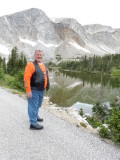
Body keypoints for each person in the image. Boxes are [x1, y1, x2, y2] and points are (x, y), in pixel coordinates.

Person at [24, 50, 50, 130]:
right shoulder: (31, 65)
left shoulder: (45, 66)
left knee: (38, 105)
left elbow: (46, 77)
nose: (39, 56)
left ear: (42, 56)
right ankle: (33, 123)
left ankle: (35, 116)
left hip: (41, 90)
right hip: (33, 89)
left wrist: (47, 86)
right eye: (37, 55)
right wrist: (28, 90)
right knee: (33, 106)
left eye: (40, 55)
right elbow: (26, 78)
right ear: (35, 56)